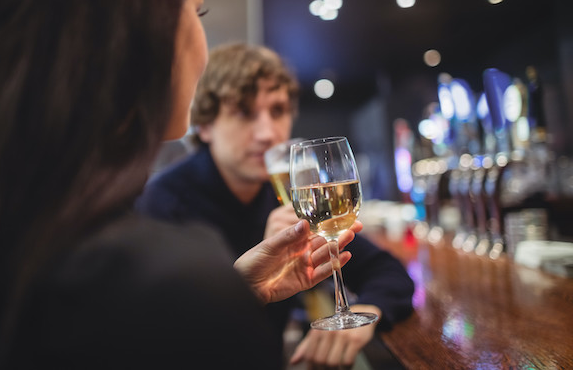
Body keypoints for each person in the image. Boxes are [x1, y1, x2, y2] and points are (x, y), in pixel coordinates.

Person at [0, 0, 363, 369]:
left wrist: (237, 291)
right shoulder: (163, 267)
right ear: (132, 34)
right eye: (196, 11)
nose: (268, 133)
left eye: (279, 111)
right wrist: (216, 302)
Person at [136, 43, 415, 369]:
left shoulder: (283, 196)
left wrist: (366, 317)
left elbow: (387, 272)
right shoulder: (164, 205)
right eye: (244, 112)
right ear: (205, 126)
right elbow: (157, 340)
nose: (268, 133)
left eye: (278, 111)